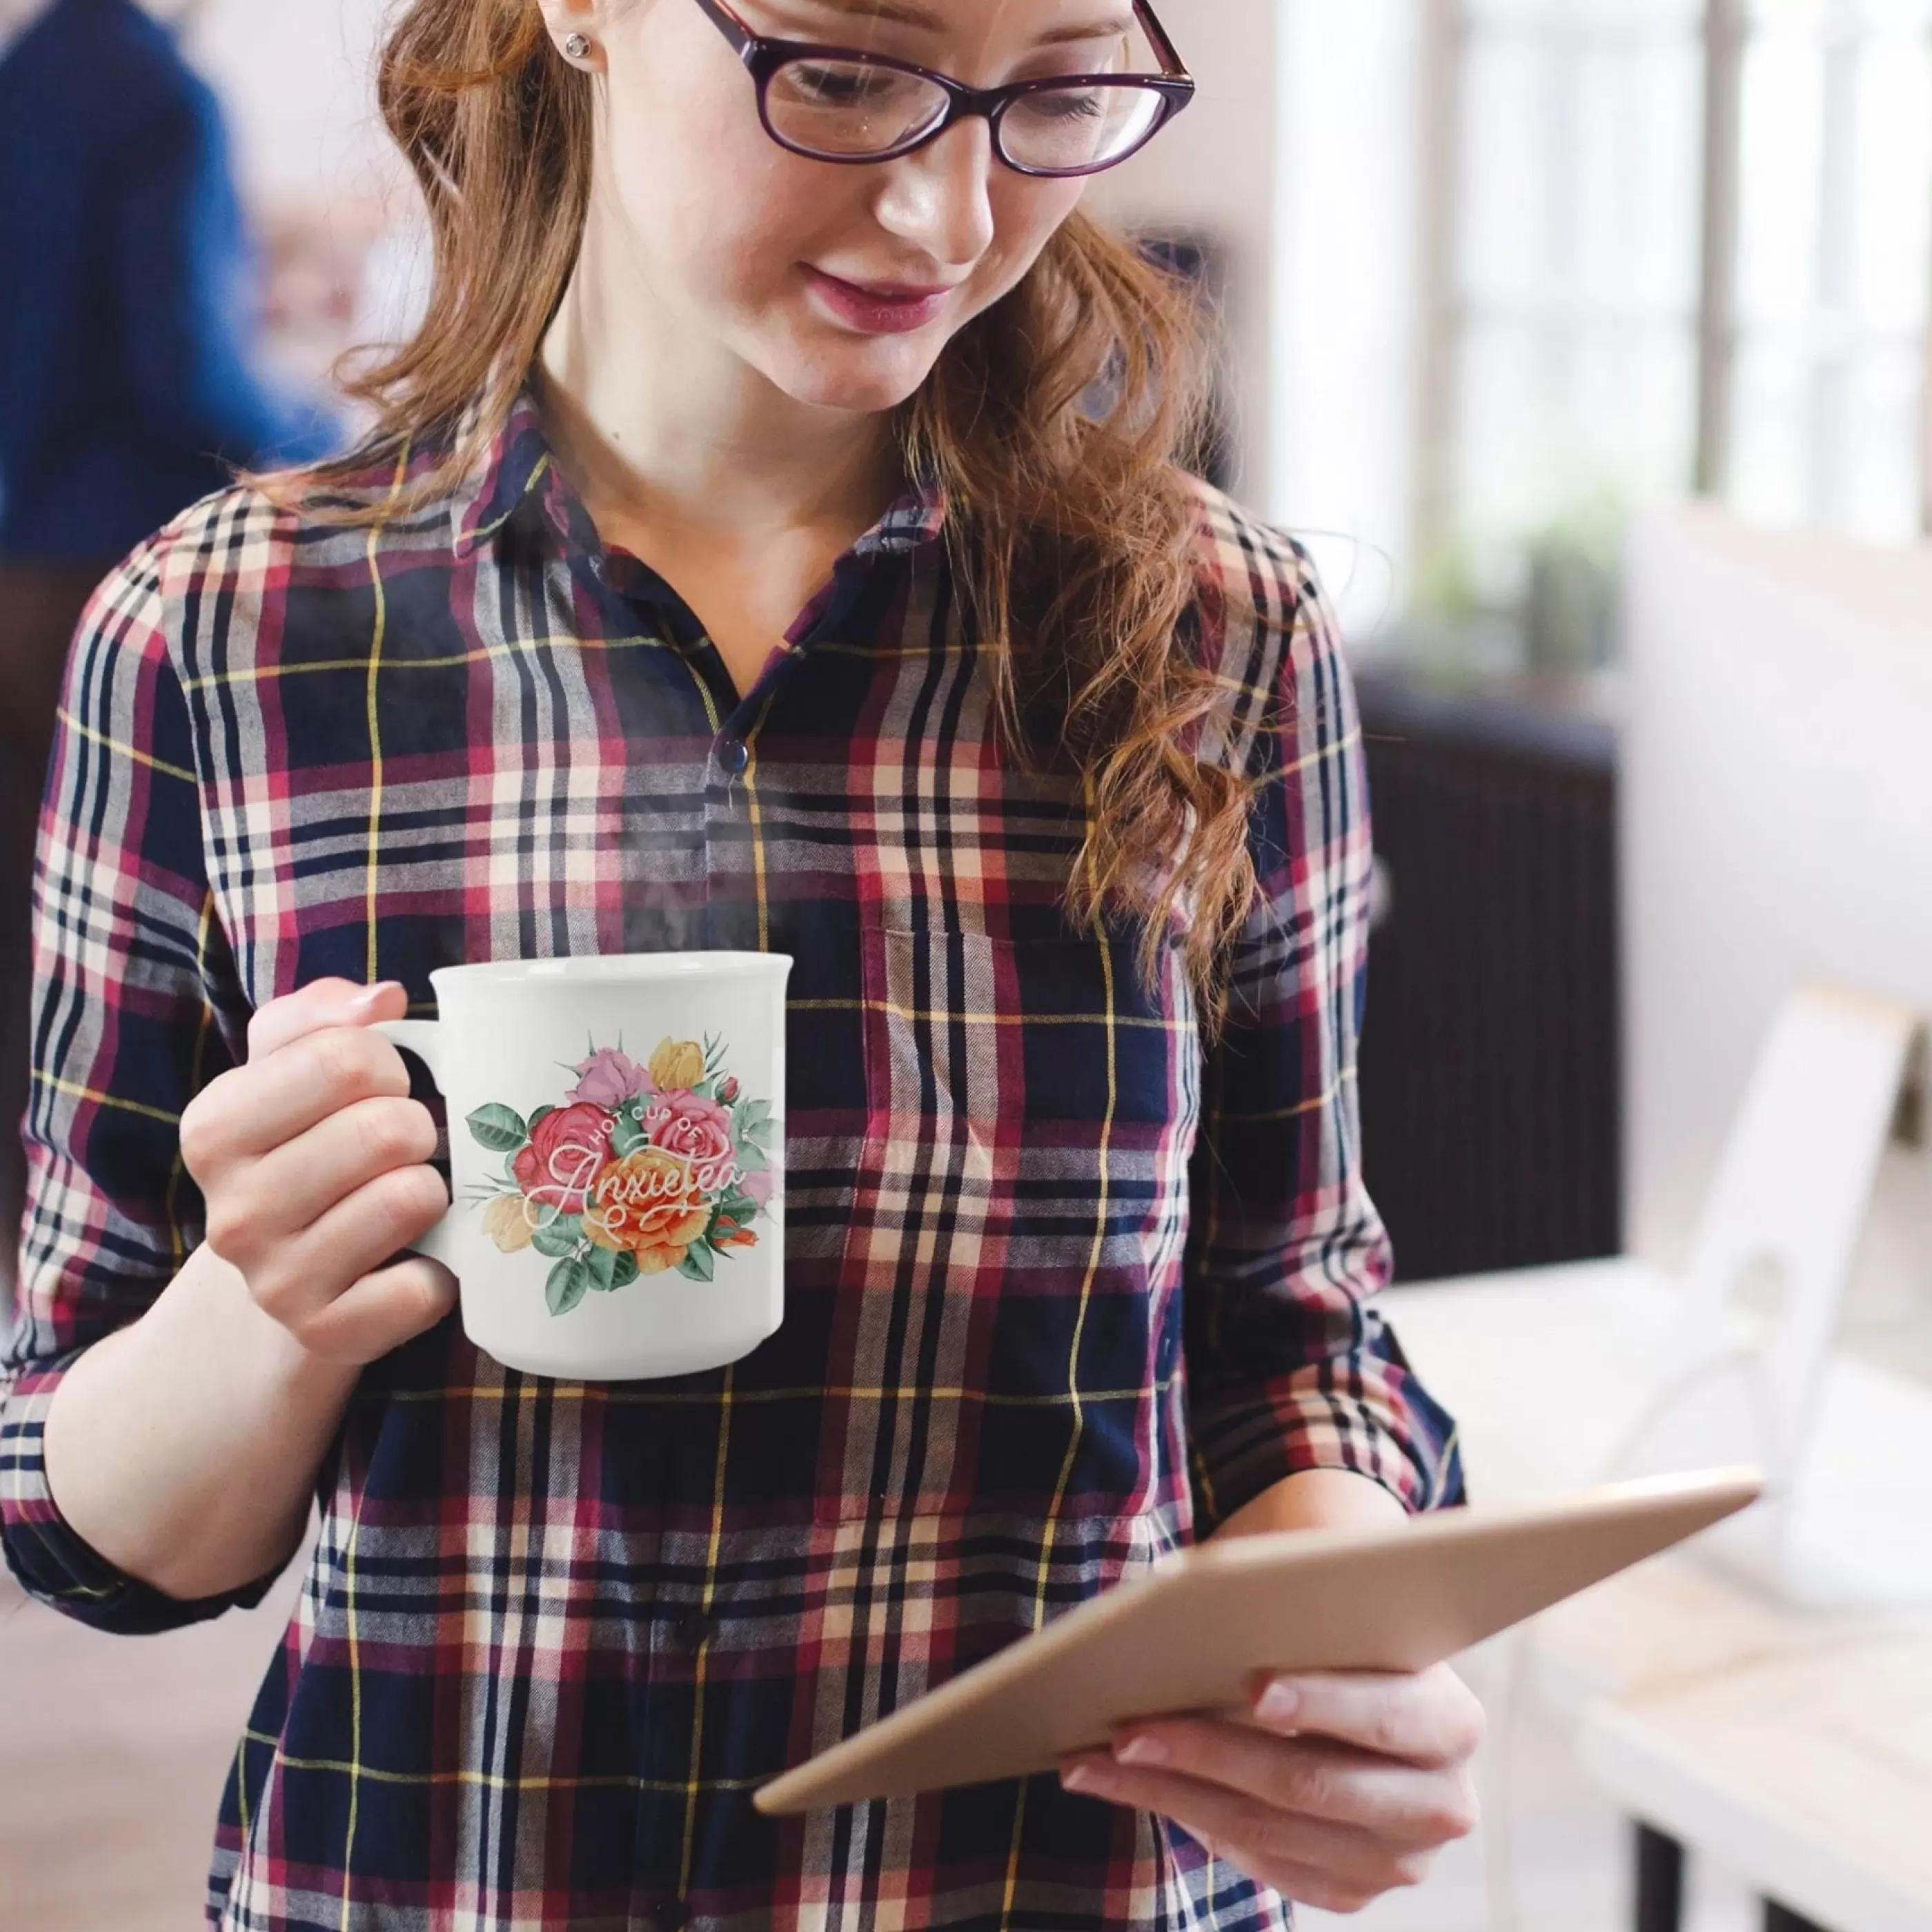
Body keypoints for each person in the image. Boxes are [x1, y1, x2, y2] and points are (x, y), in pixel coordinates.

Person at [0, 1, 1482, 1925]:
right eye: (846, 70)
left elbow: (1291, 1327)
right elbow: (82, 1524)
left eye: (1055, 92)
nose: (949, 214)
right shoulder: (223, 637)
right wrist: (261, 1306)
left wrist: (1334, 1658)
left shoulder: (1222, 633)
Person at [0, 0, 335, 1305]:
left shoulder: (33, 76)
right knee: (136, 968)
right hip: (119, 578)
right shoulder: (157, 93)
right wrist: (354, 441)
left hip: (18, 560)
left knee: (30, 940)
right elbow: (188, 370)